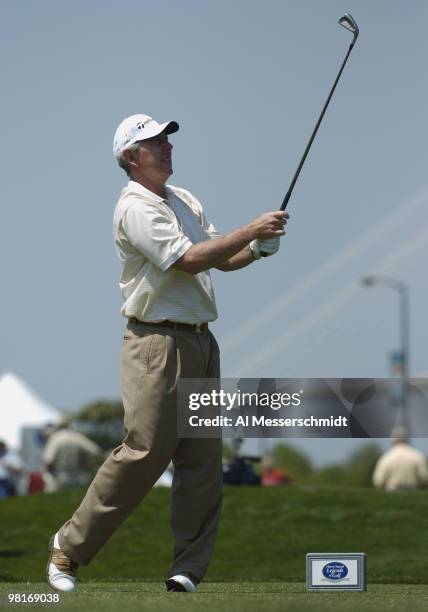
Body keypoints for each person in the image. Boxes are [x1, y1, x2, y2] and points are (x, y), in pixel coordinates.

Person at [46, 113, 288, 593]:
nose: (166, 146)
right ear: (132, 158)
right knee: (143, 452)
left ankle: (187, 569)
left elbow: (219, 256)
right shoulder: (134, 207)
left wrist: (258, 249)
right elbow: (185, 259)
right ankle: (67, 548)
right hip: (155, 343)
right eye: (154, 142)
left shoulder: (184, 199)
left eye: (166, 139)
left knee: (201, 459)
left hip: (201, 340)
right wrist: (251, 227)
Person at [42, 421, 103, 491]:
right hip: (78, 478)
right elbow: (96, 451)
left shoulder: (55, 437)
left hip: (59, 479)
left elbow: (48, 461)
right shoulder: (76, 436)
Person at [372, 427, 428, 491]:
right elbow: (425, 478)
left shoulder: (386, 458)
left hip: (392, 494)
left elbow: (378, 481)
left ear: (393, 439)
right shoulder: (417, 456)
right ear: (406, 439)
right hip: (412, 493)